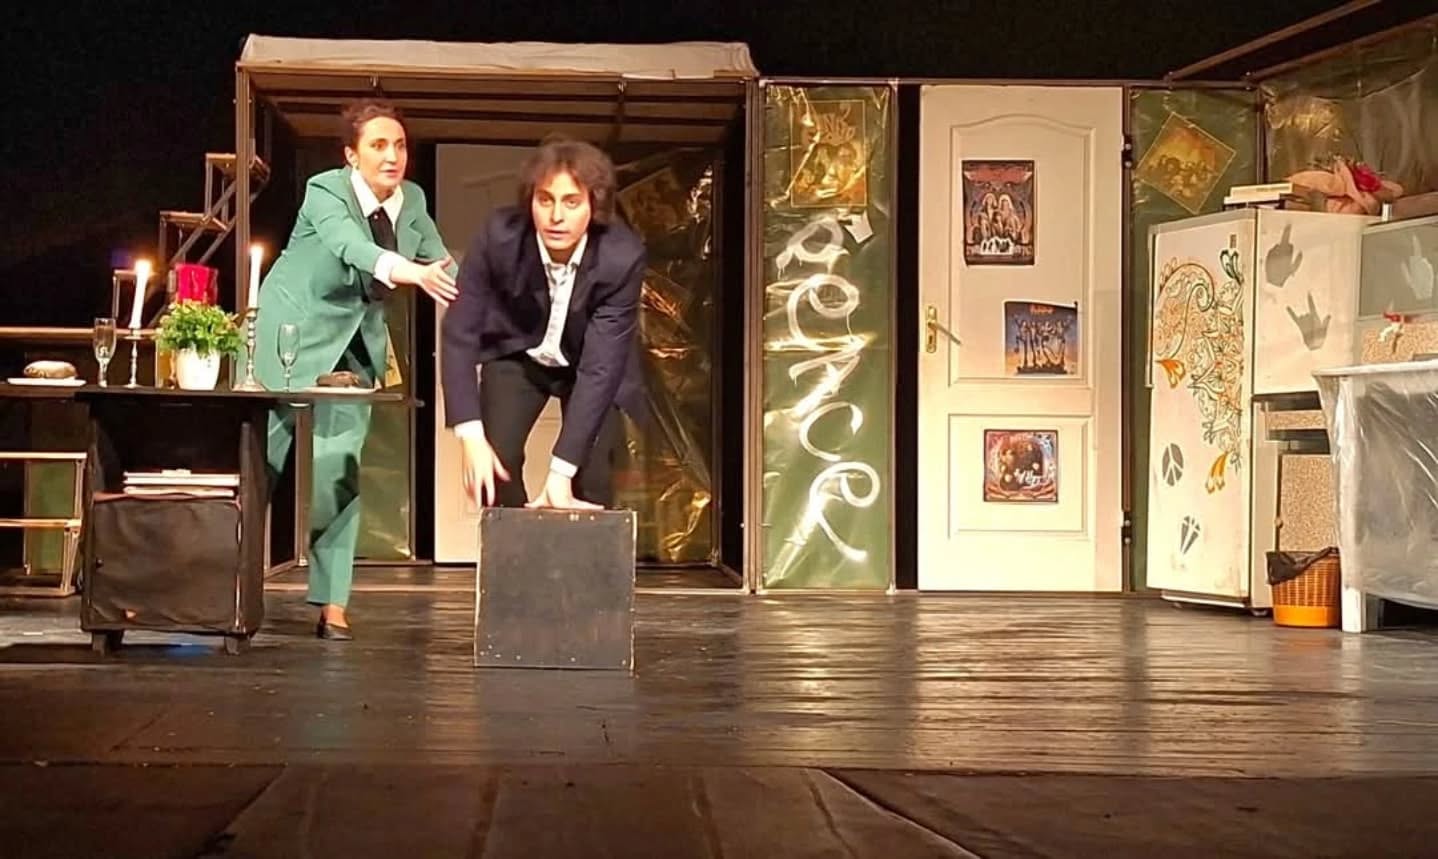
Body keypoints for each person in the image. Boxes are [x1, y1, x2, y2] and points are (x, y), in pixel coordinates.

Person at [254, 98, 457, 641]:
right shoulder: (325, 190)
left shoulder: (412, 200)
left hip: (355, 347)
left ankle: (332, 602)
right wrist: (407, 271)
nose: (392, 157)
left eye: (400, 145)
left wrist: (493, 300)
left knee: (337, 471)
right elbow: (350, 247)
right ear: (352, 155)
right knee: (262, 464)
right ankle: (226, 582)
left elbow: (440, 264)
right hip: (291, 337)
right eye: (378, 145)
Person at [440, 135, 648, 510]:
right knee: (496, 466)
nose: (556, 216)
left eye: (571, 202)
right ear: (531, 200)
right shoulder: (499, 236)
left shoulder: (621, 256)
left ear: (593, 205)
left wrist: (560, 474)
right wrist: (469, 435)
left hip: (588, 363)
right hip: (518, 352)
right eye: (545, 200)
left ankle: (581, 549)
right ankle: (514, 545)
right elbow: (459, 332)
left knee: (591, 476)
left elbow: (600, 368)